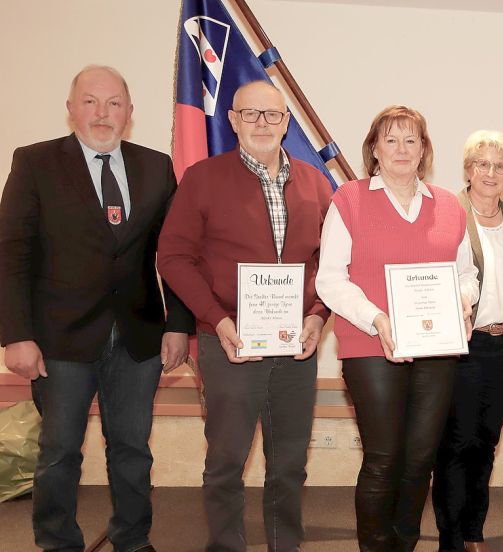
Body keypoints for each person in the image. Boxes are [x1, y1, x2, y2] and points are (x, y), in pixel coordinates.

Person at [0, 65, 194, 552]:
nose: (102, 114)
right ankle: (57, 542)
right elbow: (11, 253)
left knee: (132, 450)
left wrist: (179, 324)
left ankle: (132, 539)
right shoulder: (35, 163)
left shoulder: (156, 165)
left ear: (129, 113)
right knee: (59, 452)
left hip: (139, 337)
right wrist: (15, 335)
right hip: (58, 338)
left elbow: (173, 255)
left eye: (113, 103)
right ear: (70, 110)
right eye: (90, 102)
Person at [157, 80, 332, 552]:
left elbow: (333, 264)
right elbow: (173, 257)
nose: (261, 123)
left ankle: (284, 545)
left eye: (272, 115)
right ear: (231, 120)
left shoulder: (317, 184)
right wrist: (217, 320)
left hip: (297, 343)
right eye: (249, 114)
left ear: (286, 122)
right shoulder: (203, 178)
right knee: (227, 463)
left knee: (290, 463)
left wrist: (318, 315)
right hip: (229, 339)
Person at [315, 105, 479, 552]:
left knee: (421, 459)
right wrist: (378, 318)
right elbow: (329, 278)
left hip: (436, 347)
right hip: (371, 345)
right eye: (391, 139)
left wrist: (463, 302)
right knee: (384, 459)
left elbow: (466, 274)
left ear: (424, 149)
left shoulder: (448, 205)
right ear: (374, 149)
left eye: (411, 140)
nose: (402, 149)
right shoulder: (348, 199)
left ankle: (404, 544)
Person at [431, 130, 503, 552]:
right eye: (482, 164)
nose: (491, 172)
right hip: (462, 346)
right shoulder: (446, 213)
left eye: (500, 165)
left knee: (486, 444)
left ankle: (474, 531)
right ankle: (450, 538)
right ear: (468, 170)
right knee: (455, 443)